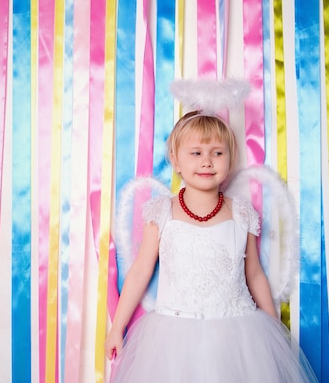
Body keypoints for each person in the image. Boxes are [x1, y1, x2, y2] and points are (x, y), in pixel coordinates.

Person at [104, 109, 318, 382]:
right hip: (174, 337)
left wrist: (273, 328)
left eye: (217, 153)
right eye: (196, 153)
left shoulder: (242, 213)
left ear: (230, 159)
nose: (207, 161)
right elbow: (140, 270)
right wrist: (117, 328)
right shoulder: (161, 212)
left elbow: (253, 273)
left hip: (238, 334)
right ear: (176, 161)